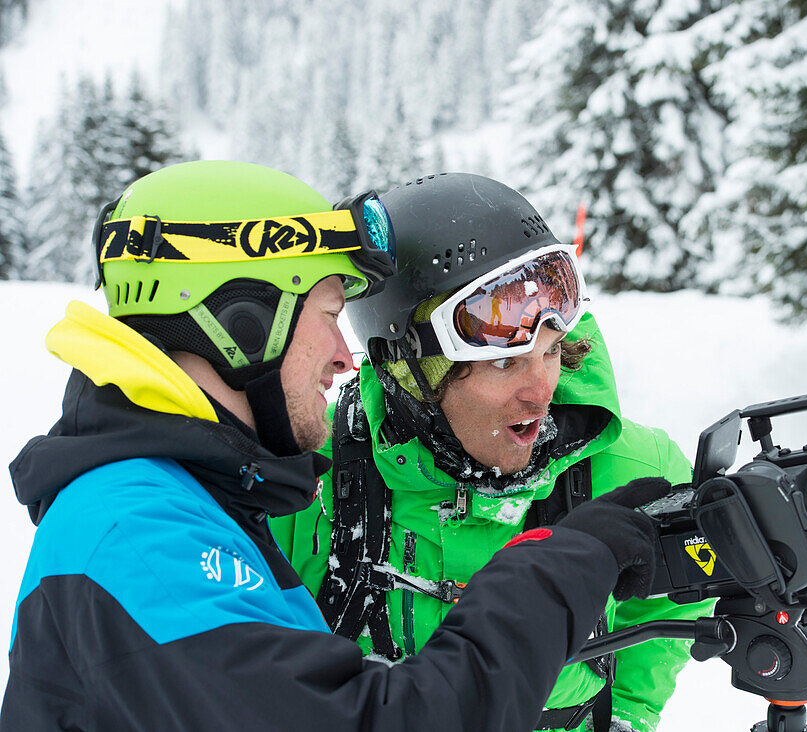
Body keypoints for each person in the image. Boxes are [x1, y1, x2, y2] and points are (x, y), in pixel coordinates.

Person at [2, 161, 674, 731]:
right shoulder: (138, 537)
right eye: (327, 316)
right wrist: (559, 570)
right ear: (244, 322)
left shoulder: (193, 501)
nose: (344, 354)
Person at [271, 173, 712, 732]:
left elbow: (675, 600)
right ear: (412, 372)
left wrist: (628, 713)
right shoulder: (307, 483)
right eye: (505, 363)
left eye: (550, 352)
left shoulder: (632, 472)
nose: (541, 390)